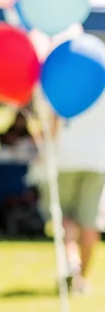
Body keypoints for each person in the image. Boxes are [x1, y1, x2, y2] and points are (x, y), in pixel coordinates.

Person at [54, 94, 105, 293]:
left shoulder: (65, 79)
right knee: (90, 220)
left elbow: (54, 122)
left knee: (66, 215)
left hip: (66, 158)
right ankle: (82, 278)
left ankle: (71, 261)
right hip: (98, 160)